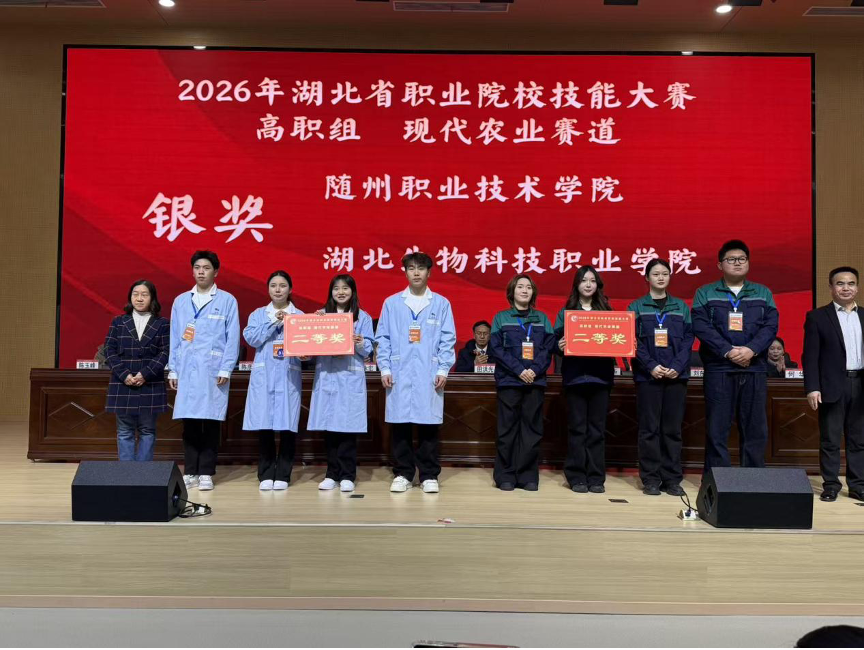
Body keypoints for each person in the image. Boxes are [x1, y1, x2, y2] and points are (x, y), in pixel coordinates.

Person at [692, 240, 779, 471]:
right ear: (720, 265)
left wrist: (751, 349)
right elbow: (701, 326)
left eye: (742, 259)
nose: (737, 263)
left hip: (754, 368)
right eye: (731, 259)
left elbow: (771, 326)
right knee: (717, 429)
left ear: (748, 263)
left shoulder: (763, 292)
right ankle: (717, 480)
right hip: (719, 368)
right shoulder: (705, 292)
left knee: (755, 428)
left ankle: (753, 480)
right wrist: (728, 351)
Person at [375, 251, 456, 494]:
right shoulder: (392, 303)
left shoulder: (441, 303)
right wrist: (385, 367)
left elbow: (448, 338)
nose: (416, 272)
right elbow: (383, 338)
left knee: (428, 425)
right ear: (405, 272)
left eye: (421, 268)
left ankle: (429, 475)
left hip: (428, 373)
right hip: (399, 372)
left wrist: (443, 368)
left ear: (429, 272)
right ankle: (403, 474)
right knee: (400, 425)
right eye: (411, 268)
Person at [167, 251, 240, 492]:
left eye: (206, 268)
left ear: (215, 272)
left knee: (210, 422)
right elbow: (175, 337)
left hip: (213, 370)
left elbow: (232, 338)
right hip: (187, 368)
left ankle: (207, 472)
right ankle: (190, 471)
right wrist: (173, 370)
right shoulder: (181, 301)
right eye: (197, 267)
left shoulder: (227, 300)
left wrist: (226, 368)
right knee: (189, 422)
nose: (201, 271)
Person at [627, 259, 694, 496]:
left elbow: (688, 340)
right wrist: (651, 366)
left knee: (672, 430)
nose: (661, 278)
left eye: (665, 273)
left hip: (676, 376)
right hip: (648, 377)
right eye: (655, 274)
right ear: (647, 278)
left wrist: (676, 366)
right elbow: (632, 341)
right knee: (649, 429)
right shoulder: (636, 306)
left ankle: (672, 479)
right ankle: (651, 479)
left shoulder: (681, 307)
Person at [308, 274, 374, 493]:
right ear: (331, 292)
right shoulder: (321, 315)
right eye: (336, 288)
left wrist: (360, 342)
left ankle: (347, 475)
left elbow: (368, 350)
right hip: (328, 376)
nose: (341, 292)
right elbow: (311, 345)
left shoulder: (362, 317)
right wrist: (314, 325)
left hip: (350, 377)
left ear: (352, 291)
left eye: (345, 288)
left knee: (348, 428)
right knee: (330, 428)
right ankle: (331, 474)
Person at [803, 267, 864, 503]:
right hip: (832, 386)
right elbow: (810, 356)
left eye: (850, 283)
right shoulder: (818, 317)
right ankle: (830, 485)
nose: (845, 288)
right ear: (831, 287)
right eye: (840, 283)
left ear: (857, 287)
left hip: (860, 384)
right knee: (830, 439)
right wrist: (812, 387)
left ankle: (858, 485)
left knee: (859, 439)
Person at [554, 265, 616, 494]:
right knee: (578, 429)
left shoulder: (607, 311)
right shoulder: (567, 312)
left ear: (597, 285)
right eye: (583, 280)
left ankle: (596, 477)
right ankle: (577, 476)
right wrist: (559, 345)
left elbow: (617, 339)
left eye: (592, 280)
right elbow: (554, 343)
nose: (588, 284)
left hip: (601, 378)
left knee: (597, 430)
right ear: (577, 285)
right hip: (576, 378)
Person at [489, 275, 555, 491]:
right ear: (512, 291)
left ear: (533, 292)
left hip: (535, 381)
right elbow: (496, 349)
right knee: (506, 430)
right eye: (520, 286)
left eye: (529, 287)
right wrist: (519, 370)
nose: (525, 290)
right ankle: (505, 475)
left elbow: (548, 348)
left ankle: (527, 476)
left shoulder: (542, 318)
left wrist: (534, 370)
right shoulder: (501, 318)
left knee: (532, 430)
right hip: (509, 381)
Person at [242, 271, 303, 491]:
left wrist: (305, 355)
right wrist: (272, 322)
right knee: (265, 425)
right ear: (268, 289)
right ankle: (266, 473)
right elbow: (251, 338)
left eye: (283, 285)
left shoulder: (299, 315)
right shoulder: (259, 314)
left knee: (288, 426)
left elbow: (306, 346)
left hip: (288, 375)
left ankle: (284, 474)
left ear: (290, 289)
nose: (278, 290)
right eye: (273, 285)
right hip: (264, 375)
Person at [104, 280, 170, 462]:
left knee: (147, 430)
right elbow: (109, 350)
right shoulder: (118, 322)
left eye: (144, 294)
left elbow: (166, 352)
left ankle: (143, 473)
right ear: (130, 297)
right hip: (122, 383)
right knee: (124, 431)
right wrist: (124, 374)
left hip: (150, 383)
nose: (139, 298)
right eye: (135, 294)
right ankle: (127, 473)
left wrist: (145, 374)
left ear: (152, 298)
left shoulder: (162, 323)